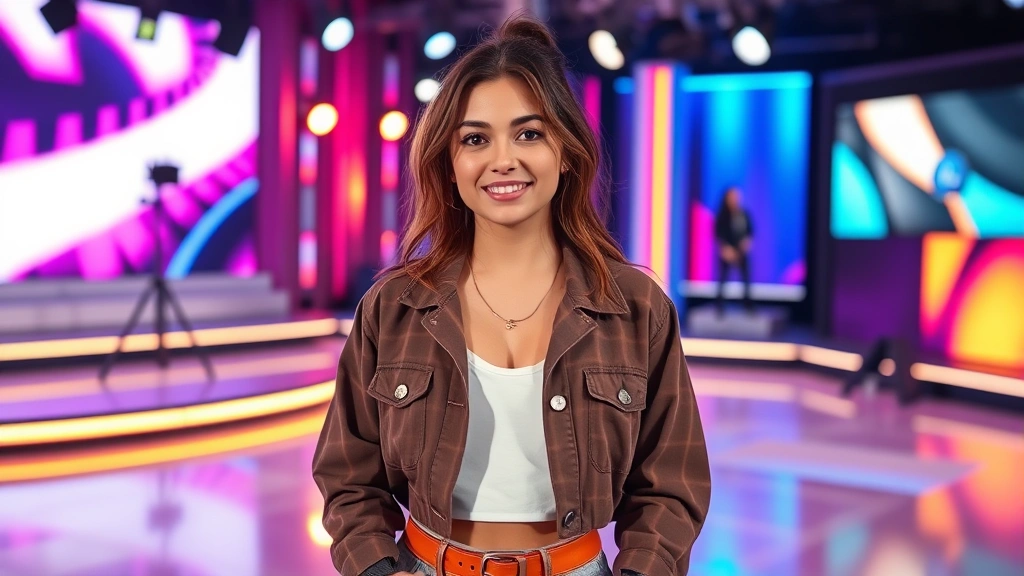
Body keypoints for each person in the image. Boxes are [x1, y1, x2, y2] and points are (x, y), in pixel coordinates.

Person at [313, 14, 710, 576]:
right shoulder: (393, 306)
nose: (503, 159)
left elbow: (672, 483)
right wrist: (379, 569)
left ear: (566, 151)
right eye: (476, 139)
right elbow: (347, 475)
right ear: (450, 164)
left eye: (529, 133)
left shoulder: (635, 306)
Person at [713, 187, 754, 313]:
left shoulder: (743, 214)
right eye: (732, 196)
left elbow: (750, 231)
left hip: (742, 251)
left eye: (737, 196)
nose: (735, 199)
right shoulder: (722, 215)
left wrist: (747, 242)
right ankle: (719, 306)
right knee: (723, 280)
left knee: (746, 279)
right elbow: (718, 233)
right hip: (727, 252)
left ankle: (748, 305)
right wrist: (725, 248)